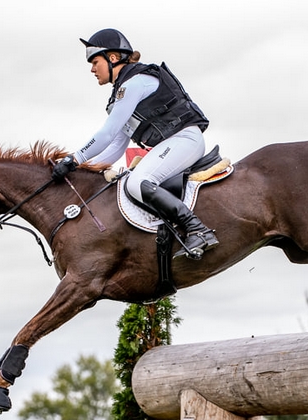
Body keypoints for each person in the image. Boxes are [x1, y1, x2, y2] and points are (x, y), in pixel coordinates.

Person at [51, 28, 219, 259]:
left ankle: (197, 229)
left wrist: (74, 158)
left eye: (95, 62)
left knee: (137, 182)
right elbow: (116, 147)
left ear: (112, 58)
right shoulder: (121, 93)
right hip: (172, 144)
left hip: (184, 139)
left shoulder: (135, 83)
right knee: (129, 182)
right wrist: (81, 170)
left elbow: (107, 133)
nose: (91, 69)